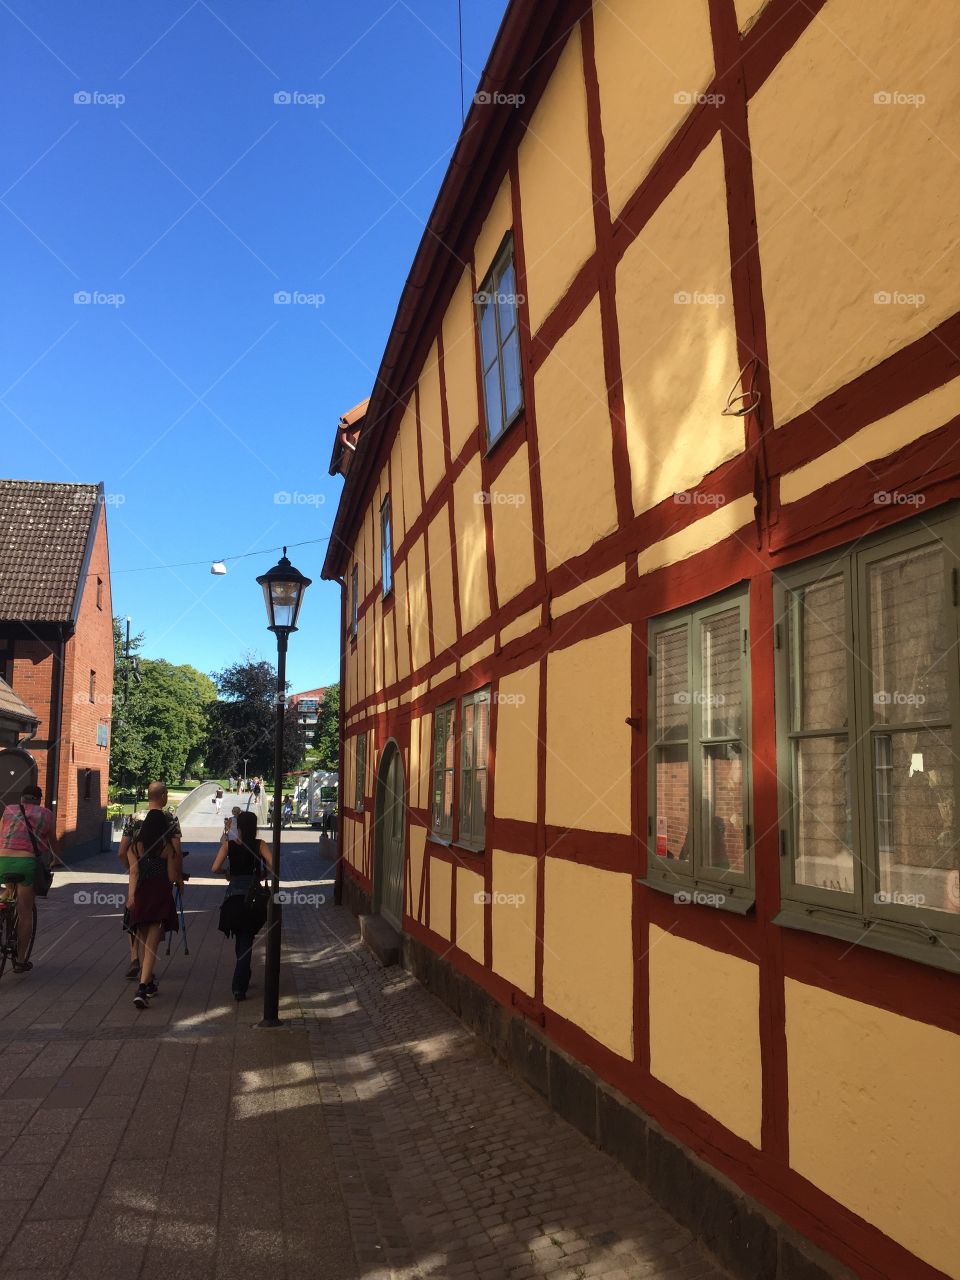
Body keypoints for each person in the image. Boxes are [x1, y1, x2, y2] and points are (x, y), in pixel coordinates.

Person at [118, 782, 181, 979]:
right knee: (154, 921)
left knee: (134, 915)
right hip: (159, 879)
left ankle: (134, 957)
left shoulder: (134, 817)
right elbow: (177, 851)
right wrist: (179, 877)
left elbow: (122, 851)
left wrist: (132, 867)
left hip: (138, 875)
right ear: (163, 796)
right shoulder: (169, 818)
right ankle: (147, 973)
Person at [211, 810, 273, 1001]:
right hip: (253, 898)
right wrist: (263, 874)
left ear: (239, 827)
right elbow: (272, 864)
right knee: (246, 938)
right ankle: (241, 981)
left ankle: (241, 981)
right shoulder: (260, 844)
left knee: (242, 937)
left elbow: (214, 868)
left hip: (233, 898)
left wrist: (226, 872)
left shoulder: (228, 845)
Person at [127, 807, 182, 1009]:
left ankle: (148, 982)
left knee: (144, 943)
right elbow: (171, 877)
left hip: (141, 896)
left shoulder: (134, 847)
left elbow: (133, 873)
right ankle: (142, 988)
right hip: (160, 896)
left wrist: (130, 897)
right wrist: (178, 877)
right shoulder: (166, 847)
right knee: (152, 945)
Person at [0, 784, 58, 973]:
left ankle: (4, 909)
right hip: (26, 863)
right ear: (39, 800)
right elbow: (53, 841)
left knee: (9, 892)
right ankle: (21, 960)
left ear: (21, 798)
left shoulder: (9, 809)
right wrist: (56, 859)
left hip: (3, 860)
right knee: (25, 912)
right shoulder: (47, 814)